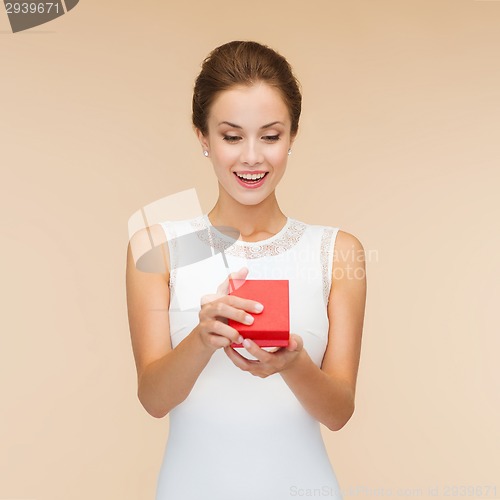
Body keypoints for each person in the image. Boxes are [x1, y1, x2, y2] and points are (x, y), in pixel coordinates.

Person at [126, 40, 367, 500]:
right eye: (232, 136)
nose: (252, 157)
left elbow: (339, 413)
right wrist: (201, 339)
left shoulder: (338, 252)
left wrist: (293, 364)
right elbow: (153, 400)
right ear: (203, 137)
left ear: (292, 136)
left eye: (271, 136)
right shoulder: (156, 248)